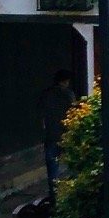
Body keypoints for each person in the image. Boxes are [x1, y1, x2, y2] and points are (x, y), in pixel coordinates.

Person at [40, 69, 76, 199]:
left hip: (51, 135)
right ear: (66, 81)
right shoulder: (69, 94)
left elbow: (42, 116)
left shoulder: (46, 94)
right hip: (65, 133)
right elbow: (74, 113)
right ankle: (73, 191)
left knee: (52, 166)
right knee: (73, 163)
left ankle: (54, 194)